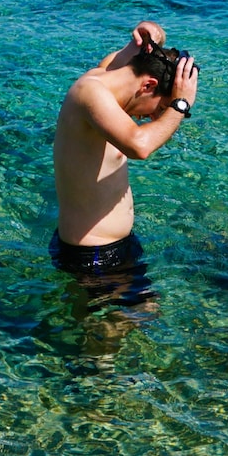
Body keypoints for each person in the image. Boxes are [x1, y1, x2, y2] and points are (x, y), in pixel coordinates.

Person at [50, 20, 199, 279]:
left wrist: (148, 35)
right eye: (160, 108)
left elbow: (127, 56)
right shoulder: (89, 93)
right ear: (148, 86)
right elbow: (139, 146)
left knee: (146, 316)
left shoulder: (105, 78)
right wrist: (181, 105)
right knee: (118, 321)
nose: (154, 118)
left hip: (108, 249)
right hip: (93, 256)